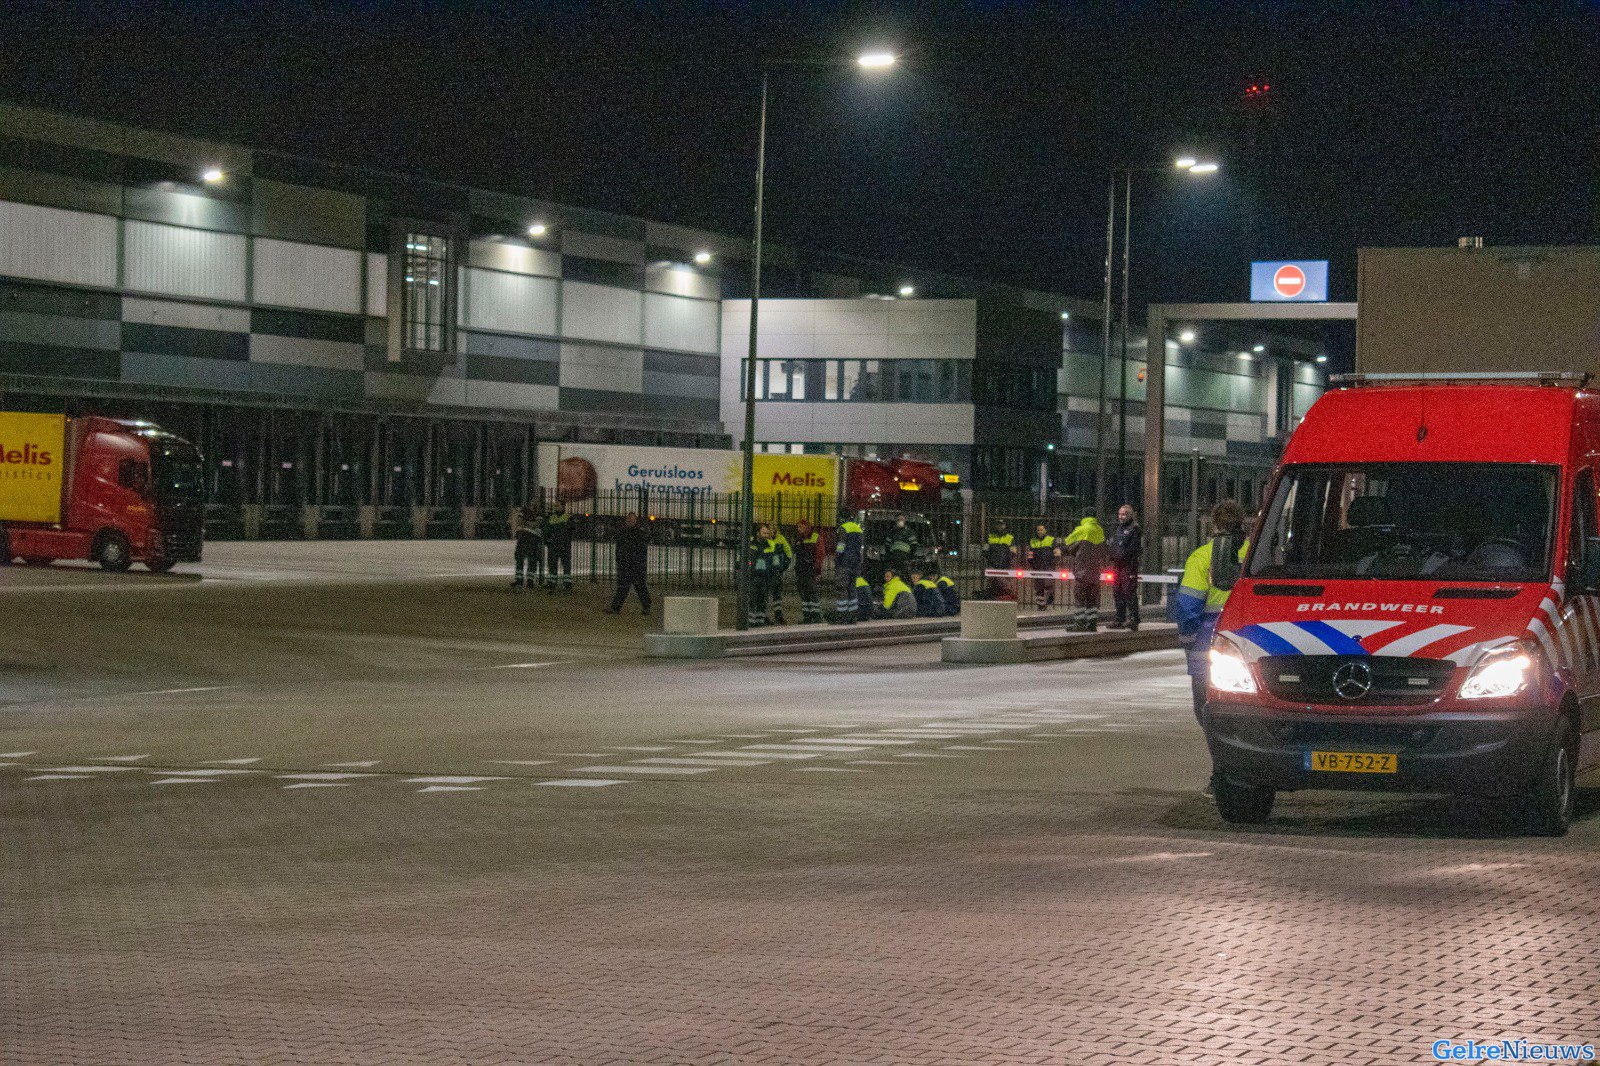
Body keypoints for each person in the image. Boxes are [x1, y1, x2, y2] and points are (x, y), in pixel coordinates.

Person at [1174, 500, 1249, 793]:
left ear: (1214, 525)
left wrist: (1187, 639)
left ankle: (1222, 773)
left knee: (1206, 711)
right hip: (1249, 642)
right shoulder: (1257, 555)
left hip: (1208, 645)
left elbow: (1188, 605)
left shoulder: (1202, 557)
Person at [1062, 513, 1107, 631]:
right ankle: (1092, 624)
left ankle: (1080, 624)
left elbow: (1067, 543)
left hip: (1082, 570)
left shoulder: (1082, 529)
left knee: (1080, 596)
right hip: (1095, 571)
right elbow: (1103, 550)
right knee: (1092, 598)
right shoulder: (1099, 530)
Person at [604, 512, 652, 616]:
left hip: (634, 564)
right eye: (629, 520)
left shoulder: (633, 533)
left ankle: (617, 608)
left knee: (634, 587)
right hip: (628, 564)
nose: (630, 522)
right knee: (630, 587)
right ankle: (645, 606)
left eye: (632, 520)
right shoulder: (632, 533)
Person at [1107, 503, 1144, 630]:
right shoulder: (1119, 529)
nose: (1121, 517)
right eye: (1120, 514)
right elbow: (1115, 545)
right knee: (1117, 591)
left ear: (1130, 515)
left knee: (1129, 591)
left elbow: (1133, 548)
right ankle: (1120, 618)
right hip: (1118, 565)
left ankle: (1134, 618)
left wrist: (1122, 557)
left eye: (1124, 514)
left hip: (1128, 565)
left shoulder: (1135, 528)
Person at [747, 522, 785, 627]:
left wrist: (776, 573)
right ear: (758, 533)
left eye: (767, 533)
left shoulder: (771, 544)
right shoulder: (750, 543)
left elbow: (775, 560)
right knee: (752, 599)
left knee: (762, 600)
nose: (766, 535)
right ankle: (751, 622)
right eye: (764, 533)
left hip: (766, 576)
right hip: (753, 576)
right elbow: (745, 559)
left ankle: (760, 621)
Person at [833, 513, 865, 623]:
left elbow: (841, 546)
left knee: (842, 588)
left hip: (844, 563)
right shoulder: (858, 529)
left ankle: (842, 617)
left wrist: (837, 559)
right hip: (855, 563)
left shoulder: (844, 528)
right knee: (852, 589)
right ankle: (853, 616)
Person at [792, 518, 823, 623]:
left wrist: (817, 570)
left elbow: (820, 555)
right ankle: (807, 616)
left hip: (810, 570)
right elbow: (796, 553)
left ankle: (816, 616)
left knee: (812, 593)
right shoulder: (799, 538)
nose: (798, 529)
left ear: (806, 527)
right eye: (798, 527)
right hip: (801, 570)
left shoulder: (815, 537)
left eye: (801, 526)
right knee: (804, 594)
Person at [510, 498, 544, 590]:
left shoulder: (540, 513)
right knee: (519, 558)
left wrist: (525, 524)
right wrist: (529, 524)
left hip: (533, 538)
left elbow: (536, 524)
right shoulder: (526, 510)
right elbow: (519, 521)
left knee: (532, 560)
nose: (534, 504)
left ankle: (530, 580)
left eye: (536, 502)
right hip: (524, 537)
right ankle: (519, 580)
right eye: (533, 502)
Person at [1028, 523, 1060, 610]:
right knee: (1039, 586)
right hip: (1037, 567)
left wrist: (1054, 562)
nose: (1039, 531)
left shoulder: (1051, 539)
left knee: (1048, 584)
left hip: (1048, 566)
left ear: (1045, 530)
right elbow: (1030, 554)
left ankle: (1050, 597)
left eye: (1041, 529)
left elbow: (1057, 553)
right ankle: (1041, 605)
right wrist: (1031, 563)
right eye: (1038, 530)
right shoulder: (1033, 541)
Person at [542, 505, 574, 591]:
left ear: (563, 507)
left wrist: (555, 531)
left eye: (559, 505)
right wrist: (547, 541)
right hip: (554, 544)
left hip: (563, 544)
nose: (557, 507)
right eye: (556, 506)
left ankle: (567, 583)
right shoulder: (552, 517)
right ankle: (552, 582)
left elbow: (570, 530)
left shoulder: (567, 517)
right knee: (552, 563)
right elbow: (546, 529)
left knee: (566, 564)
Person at [983, 520, 1017, 600]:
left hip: (1005, 564)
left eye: (1002, 525)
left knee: (1002, 582)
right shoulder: (990, 536)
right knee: (992, 582)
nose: (1000, 526)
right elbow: (985, 550)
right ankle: (995, 598)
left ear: (1005, 526)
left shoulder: (1010, 537)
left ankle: (1005, 597)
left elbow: (1013, 551)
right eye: (998, 524)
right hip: (992, 564)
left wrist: (1008, 559)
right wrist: (990, 559)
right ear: (995, 526)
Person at [768, 524, 794, 625]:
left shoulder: (781, 539)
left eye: (773, 529)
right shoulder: (765, 539)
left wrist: (783, 567)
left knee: (776, 594)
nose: (771, 531)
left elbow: (789, 553)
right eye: (770, 529)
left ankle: (778, 616)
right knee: (764, 595)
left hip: (776, 571)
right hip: (767, 571)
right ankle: (763, 617)